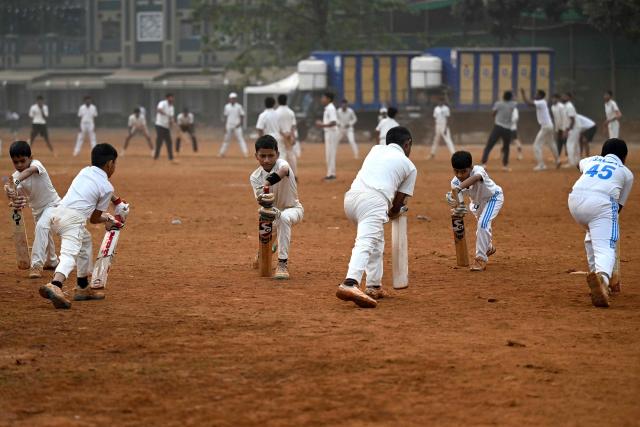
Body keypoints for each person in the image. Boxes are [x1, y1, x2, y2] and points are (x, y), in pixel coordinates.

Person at [37, 144, 128, 309]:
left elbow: (100, 189)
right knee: (69, 256)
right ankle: (55, 284)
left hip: (56, 214)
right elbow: (94, 219)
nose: (115, 167)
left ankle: (82, 287)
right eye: (115, 163)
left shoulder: (85, 171)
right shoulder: (107, 187)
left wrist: (116, 201)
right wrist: (108, 219)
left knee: (85, 241)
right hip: (73, 221)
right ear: (109, 164)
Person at [336, 126, 417, 309]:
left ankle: (373, 285)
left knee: (376, 241)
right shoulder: (410, 166)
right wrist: (397, 210)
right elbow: (396, 205)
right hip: (374, 201)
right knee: (366, 242)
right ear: (407, 144)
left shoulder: (375, 149)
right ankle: (350, 282)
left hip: (351, 199)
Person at [568, 138, 633, 308]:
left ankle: (595, 274)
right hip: (601, 203)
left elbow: (578, 164)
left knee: (593, 232)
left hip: (575, 201)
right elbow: (617, 208)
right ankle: (603, 279)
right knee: (605, 244)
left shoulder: (591, 160)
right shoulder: (626, 173)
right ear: (624, 157)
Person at [250, 135, 303, 280]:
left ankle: (282, 264)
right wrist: (264, 201)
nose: (267, 160)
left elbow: (284, 170)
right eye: (262, 156)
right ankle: (268, 249)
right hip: (272, 215)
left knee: (284, 218)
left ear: (277, 155)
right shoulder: (254, 177)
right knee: (258, 262)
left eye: (270, 155)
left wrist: (267, 182)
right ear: (256, 156)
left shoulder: (281, 164)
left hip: (293, 209)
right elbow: (261, 202)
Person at [5, 141, 60, 278]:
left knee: (41, 227)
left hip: (53, 205)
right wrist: (11, 196)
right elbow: (20, 199)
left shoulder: (36, 165)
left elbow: (28, 172)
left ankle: (36, 265)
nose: (19, 165)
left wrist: (14, 182)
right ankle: (52, 261)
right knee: (45, 234)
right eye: (15, 162)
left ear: (31, 157)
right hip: (37, 210)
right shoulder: (15, 177)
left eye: (22, 161)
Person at [447, 151, 504, 272]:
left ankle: (480, 258)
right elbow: (460, 204)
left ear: (471, 167)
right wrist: (455, 203)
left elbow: (476, 178)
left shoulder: (478, 170)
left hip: (493, 198)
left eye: (463, 171)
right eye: (456, 171)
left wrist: (458, 189)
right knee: (482, 227)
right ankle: (488, 248)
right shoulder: (454, 182)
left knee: (483, 224)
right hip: (477, 205)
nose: (460, 175)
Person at [520, 89, 559, 171]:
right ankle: (557, 161)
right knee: (551, 143)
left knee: (536, 145)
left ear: (541, 96)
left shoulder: (541, 102)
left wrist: (523, 94)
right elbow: (530, 104)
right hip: (549, 126)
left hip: (545, 127)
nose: (535, 95)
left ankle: (541, 165)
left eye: (537, 94)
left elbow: (529, 103)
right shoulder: (543, 102)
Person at [481, 91, 516, 171]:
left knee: (489, 146)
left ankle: (484, 164)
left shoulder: (498, 104)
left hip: (498, 127)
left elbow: (493, 113)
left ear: (503, 96)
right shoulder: (513, 104)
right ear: (510, 97)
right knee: (506, 147)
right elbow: (514, 100)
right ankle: (505, 166)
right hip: (507, 129)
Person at [315, 92, 339, 181]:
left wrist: (321, 125)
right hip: (329, 133)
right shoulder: (328, 108)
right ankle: (330, 173)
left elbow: (334, 122)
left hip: (331, 133)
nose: (322, 99)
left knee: (330, 154)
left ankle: (331, 175)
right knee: (329, 154)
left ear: (328, 99)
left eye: (323, 97)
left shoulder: (330, 108)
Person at [219, 92, 248, 158]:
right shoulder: (227, 106)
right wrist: (225, 126)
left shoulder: (239, 106)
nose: (233, 100)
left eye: (234, 98)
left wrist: (240, 123)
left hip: (237, 125)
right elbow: (226, 116)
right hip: (229, 125)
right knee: (226, 140)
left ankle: (245, 153)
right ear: (229, 99)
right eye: (232, 98)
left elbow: (242, 115)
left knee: (240, 139)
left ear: (236, 99)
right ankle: (222, 153)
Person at [276, 94, 298, 175]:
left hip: (280, 136)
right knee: (291, 156)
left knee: (281, 156)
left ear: (278, 101)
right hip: (289, 136)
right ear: (286, 101)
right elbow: (293, 126)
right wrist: (293, 137)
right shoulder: (291, 112)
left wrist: (283, 134)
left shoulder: (276, 112)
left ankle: (282, 174)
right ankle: (294, 175)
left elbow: (276, 127)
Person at [154, 93, 176, 162]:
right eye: (170, 97)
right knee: (159, 141)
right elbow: (159, 110)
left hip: (166, 126)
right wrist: (166, 114)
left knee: (169, 142)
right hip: (159, 124)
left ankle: (171, 157)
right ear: (167, 98)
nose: (172, 99)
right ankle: (156, 156)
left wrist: (171, 123)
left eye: (172, 97)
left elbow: (171, 117)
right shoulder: (162, 103)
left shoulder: (172, 107)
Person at [562, 92, 580, 168]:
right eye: (563, 96)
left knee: (570, 144)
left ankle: (571, 162)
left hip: (573, 128)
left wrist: (567, 130)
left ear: (569, 98)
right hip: (573, 128)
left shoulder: (569, 106)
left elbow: (572, 120)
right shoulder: (566, 106)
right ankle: (577, 161)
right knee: (575, 145)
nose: (563, 97)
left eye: (565, 96)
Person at [551, 94, 568, 160]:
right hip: (558, 128)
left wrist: (564, 130)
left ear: (558, 99)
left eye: (555, 98)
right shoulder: (552, 107)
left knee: (565, 142)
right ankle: (558, 157)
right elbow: (555, 119)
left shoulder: (561, 107)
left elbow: (564, 118)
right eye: (552, 98)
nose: (553, 100)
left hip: (564, 127)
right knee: (559, 142)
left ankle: (567, 157)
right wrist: (556, 129)